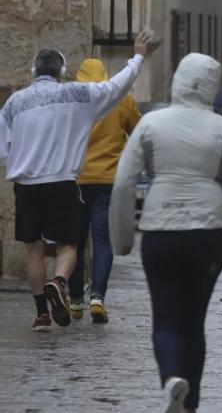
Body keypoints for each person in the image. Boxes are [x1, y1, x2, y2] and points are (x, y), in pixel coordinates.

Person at [109, 53, 222, 413]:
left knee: (165, 316)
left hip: (160, 231)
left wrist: (121, 238)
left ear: (178, 82)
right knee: (194, 320)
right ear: (211, 88)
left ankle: (171, 379)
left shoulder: (151, 125)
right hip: (209, 235)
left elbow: (123, 182)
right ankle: (191, 404)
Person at [0, 32, 148, 332]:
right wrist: (137, 57)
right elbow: (116, 86)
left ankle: (42, 314)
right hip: (63, 181)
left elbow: (3, 148)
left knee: (34, 249)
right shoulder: (76, 94)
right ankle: (60, 282)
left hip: (26, 185)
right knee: (69, 244)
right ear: (62, 72)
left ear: (34, 72)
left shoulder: (15, 103)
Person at [69, 58, 142, 324]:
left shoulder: (72, 102)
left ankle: (75, 300)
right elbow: (138, 131)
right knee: (102, 241)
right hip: (108, 180)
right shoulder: (121, 100)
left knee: (75, 242)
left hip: (76, 179)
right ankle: (97, 296)